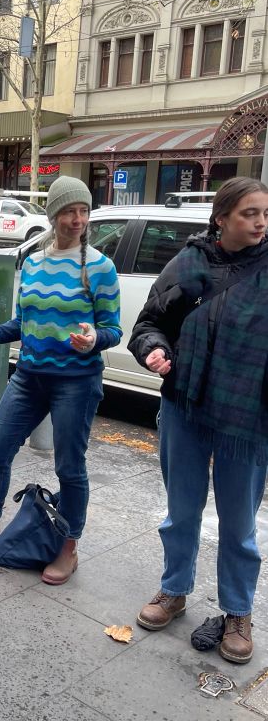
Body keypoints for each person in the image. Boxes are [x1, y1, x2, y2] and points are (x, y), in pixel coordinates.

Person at [0, 176, 121, 586]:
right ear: (54, 214)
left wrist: (94, 339)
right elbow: (21, 324)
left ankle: (67, 546)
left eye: (83, 211)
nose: (77, 219)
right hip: (29, 377)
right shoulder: (35, 262)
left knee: (70, 467)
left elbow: (114, 330)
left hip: (76, 382)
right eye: (69, 211)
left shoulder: (100, 267)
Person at [129, 178, 268, 664]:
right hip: (185, 408)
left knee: (238, 525)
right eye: (249, 213)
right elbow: (147, 325)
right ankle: (174, 590)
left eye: (264, 214)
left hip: (247, 418)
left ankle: (237, 611)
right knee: (181, 512)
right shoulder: (187, 264)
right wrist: (155, 351)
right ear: (222, 217)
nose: (260, 222)